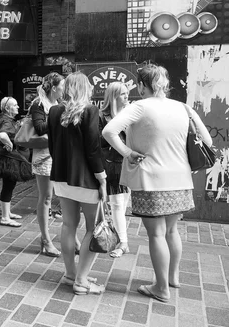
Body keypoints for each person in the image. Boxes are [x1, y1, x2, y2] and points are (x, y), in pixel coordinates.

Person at [103, 64, 212, 302]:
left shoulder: (139, 107)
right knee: (172, 231)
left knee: (156, 235)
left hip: (151, 179)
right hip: (181, 179)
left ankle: (161, 288)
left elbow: (109, 131)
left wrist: (127, 152)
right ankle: (172, 278)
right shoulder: (183, 107)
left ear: (142, 85)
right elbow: (207, 139)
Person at [48, 72, 107, 295]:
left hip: (62, 176)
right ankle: (81, 281)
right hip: (86, 178)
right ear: (84, 88)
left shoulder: (54, 111)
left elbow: (53, 146)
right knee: (93, 228)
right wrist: (101, 177)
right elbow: (93, 149)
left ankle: (71, 274)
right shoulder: (90, 110)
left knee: (68, 225)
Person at [29, 72, 66, 256]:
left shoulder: (58, 104)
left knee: (61, 196)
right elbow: (39, 127)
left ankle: (67, 239)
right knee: (46, 198)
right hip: (44, 156)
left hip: (58, 154)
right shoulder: (38, 104)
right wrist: (60, 117)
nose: (64, 90)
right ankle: (45, 239)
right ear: (53, 87)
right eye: (62, 86)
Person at [0, 96, 32, 227]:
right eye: (15, 105)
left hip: (7, 158)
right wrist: (9, 143)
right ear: (7, 108)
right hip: (8, 159)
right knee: (8, 186)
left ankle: (7, 213)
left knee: (8, 186)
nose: (17, 107)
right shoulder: (6, 121)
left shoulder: (6, 119)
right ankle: (5, 217)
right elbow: (2, 135)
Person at [99, 82, 131, 258]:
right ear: (113, 96)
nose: (127, 97)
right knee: (117, 204)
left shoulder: (129, 114)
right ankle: (123, 242)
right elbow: (99, 143)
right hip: (111, 165)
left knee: (122, 205)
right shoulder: (102, 116)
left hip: (128, 164)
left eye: (127, 93)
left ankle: (121, 239)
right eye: (123, 94)